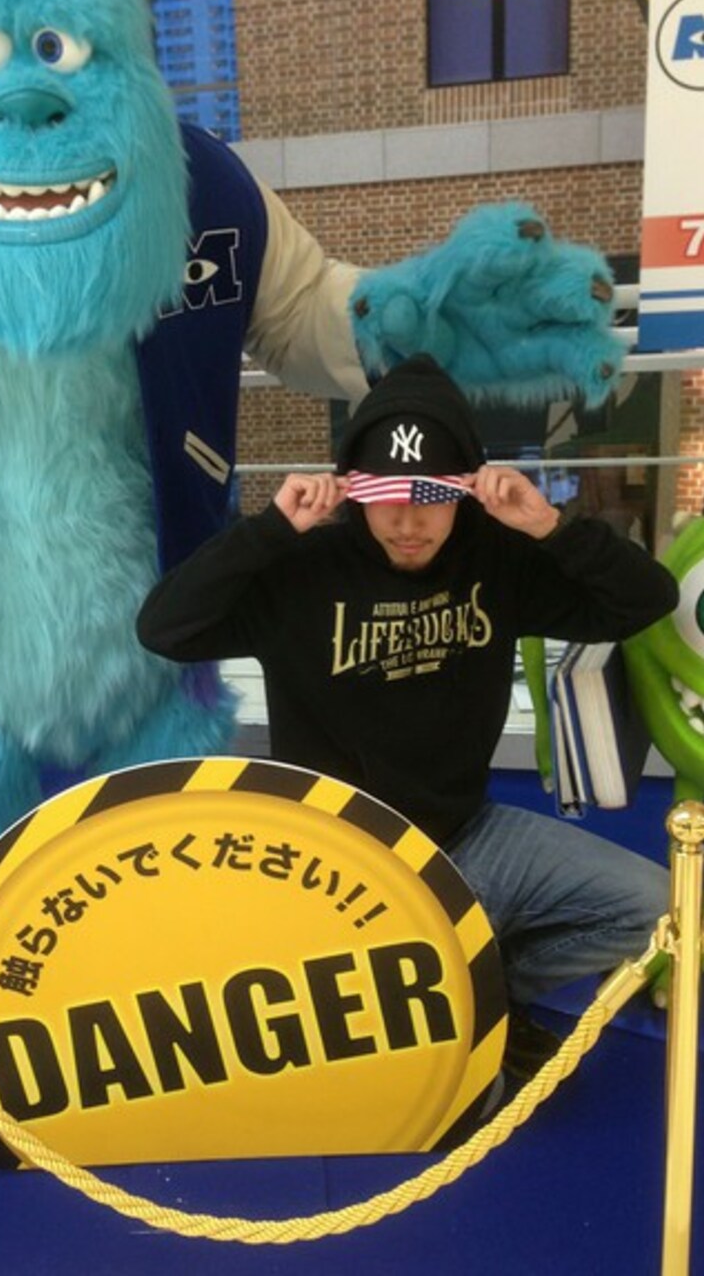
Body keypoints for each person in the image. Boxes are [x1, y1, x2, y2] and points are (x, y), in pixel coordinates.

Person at [137, 354, 679, 1077]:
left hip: (469, 835)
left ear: (466, 490)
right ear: (353, 491)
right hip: (340, 864)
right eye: (385, 496)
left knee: (658, 905)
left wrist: (551, 526)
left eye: (432, 496)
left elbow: (646, 600)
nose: (408, 522)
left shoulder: (496, 559)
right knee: (375, 1060)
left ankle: (485, 994)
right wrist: (268, 531)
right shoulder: (301, 570)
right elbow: (163, 629)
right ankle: (444, 994)